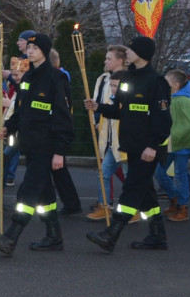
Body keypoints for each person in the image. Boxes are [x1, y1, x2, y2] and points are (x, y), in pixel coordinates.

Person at [83, 35, 172, 252]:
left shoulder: (156, 81)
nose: (127, 53)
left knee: (131, 190)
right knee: (146, 194)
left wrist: (153, 145)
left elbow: (163, 119)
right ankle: (157, 236)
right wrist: (98, 107)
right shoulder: (127, 78)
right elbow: (120, 110)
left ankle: (111, 234)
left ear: (141, 54)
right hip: (131, 146)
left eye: (131, 50)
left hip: (147, 149)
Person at [0, 32, 73, 256]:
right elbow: (22, 110)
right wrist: (8, 127)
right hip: (31, 143)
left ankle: (11, 237)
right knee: (45, 194)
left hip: (47, 145)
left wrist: (60, 151)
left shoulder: (56, 78)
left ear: (44, 51)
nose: (30, 51)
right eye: (29, 48)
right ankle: (54, 237)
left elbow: (63, 117)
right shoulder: (27, 78)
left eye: (35, 48)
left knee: (28, 189)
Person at [155, 69, 190, 222]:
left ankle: (183, 207)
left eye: (167, 81)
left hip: (182, 144)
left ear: (175, 85)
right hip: (170, 144)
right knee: (159, 172)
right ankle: (175, 199)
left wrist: (170, 136)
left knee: (179, 174)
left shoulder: (186, 102)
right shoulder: (168, 100)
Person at [87, 46, 129, 220]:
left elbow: (121, 111)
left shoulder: (128, 82)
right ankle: (105, 205)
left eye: (109, 58)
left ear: (120, 61)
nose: (105, 61)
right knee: (103, 173)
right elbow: (106, 105)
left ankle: (133, 208)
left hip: (125, 140)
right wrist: (97, 114)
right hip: (110, 138)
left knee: (130, 177)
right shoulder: (104, 79)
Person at [46, 48, 83, 215]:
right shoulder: (55, 78)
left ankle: (70, 204)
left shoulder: (58, 79)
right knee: (56, 170)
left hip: (54, 130)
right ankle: (71, 203)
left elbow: (63, 110)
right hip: (52, 130)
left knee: (57, 169)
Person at [2, 57, 28, 187]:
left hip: (24, 131)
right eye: (12, 75)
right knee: (7, 155)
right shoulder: (19, 87)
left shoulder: (26, 87)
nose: (14, 78)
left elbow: (23, 108)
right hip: (16, 130)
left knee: (7, 155)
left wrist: (10, 104)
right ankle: (1, 181)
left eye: (16, 75)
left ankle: (3, 179)